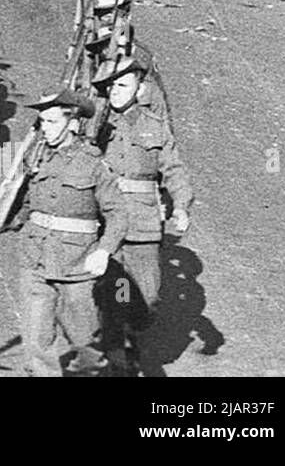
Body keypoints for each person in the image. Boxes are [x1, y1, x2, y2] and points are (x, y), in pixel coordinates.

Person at [12, 87, 127, 377]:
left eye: (52, 122)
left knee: (86, 343)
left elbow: (118, 214)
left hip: (77, 263)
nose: (44, 129)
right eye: (42, 122)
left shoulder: (93, 163)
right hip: (35, 258)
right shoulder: (35, 157)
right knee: (36, 342)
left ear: (73, 124)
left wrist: (104, 251)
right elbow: (25, 204)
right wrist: (0, 221)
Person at [92, 52, 193, 376]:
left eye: (123, 85)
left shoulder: (155, 127)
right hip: (106, 222)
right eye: (112, 86)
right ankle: (117, 346)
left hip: (143, 222)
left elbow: (173, 169)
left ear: (138, 89)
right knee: (116, 288)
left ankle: (129, 333)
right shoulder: (96, 124)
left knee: (147, 299)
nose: (116, 91)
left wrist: (180, 205)